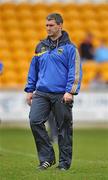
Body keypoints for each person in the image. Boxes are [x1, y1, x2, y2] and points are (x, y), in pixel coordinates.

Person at [24, 13, 82, 171]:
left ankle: (64, 163)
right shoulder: (40, 46)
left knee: (63, 129)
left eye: (51, 25)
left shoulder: (70, 48)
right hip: (41, 93)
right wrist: (30, 90)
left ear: (60, 26)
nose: (48, 28)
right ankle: (47, 158)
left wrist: (70, 91)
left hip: (62, 94)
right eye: (46, 25)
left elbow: (75, 71)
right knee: (35, 121)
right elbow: (33, 70)